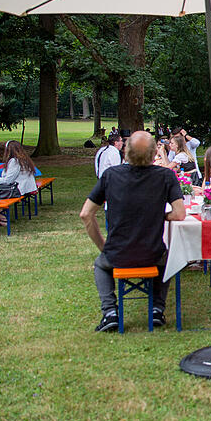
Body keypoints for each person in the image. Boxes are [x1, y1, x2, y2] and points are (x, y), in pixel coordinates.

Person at [81, 131, 185, 332]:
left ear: (125, 152)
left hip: (117, 254)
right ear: (155, 152)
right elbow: (180, 213)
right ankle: (157, 308)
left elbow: (86, 214)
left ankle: (110, 312)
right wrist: (162, 216)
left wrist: (103, 246)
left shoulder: (110, 176)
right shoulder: (165, 176)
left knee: (100, 265)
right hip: (153, 253)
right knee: (169, 259)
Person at [0, 141, 38, 227]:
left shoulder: (14, 161)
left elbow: (8, 180)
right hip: (26, 187)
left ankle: (2, 218)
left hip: (18, 189)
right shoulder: (24, 159)